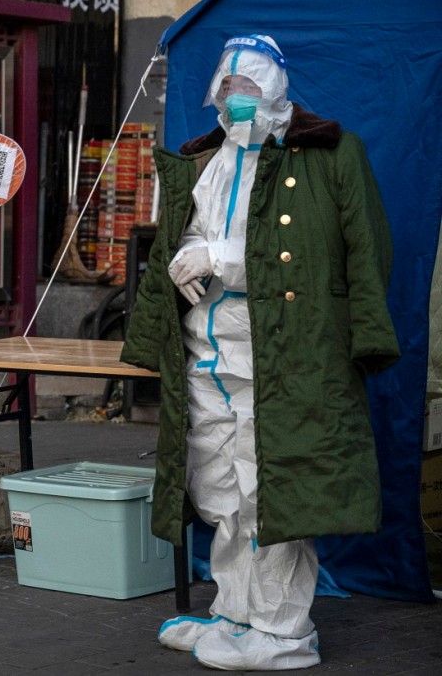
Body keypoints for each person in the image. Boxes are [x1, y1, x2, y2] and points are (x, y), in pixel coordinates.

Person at [121, 35, 399, 671]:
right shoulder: (206, 161)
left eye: (250, 88)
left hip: (283, 355)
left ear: (276, 89)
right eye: (228, 88)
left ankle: (281, 632)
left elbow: (320, 254)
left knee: (268, 490)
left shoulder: (330, 156)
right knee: (218, 486)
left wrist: (217, 258)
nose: (237, 99)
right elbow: (190, 230)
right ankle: (236, 611)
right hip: (205, 353)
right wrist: (183, 259)